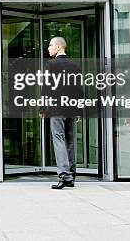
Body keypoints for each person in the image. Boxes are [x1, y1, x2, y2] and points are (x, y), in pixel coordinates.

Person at [46, 36, 81, 190]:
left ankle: (64, 175)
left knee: (58, 139)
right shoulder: (75, 65)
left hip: (57, 108)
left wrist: (43, 108)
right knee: (71, 140)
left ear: (59, 47)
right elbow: (79, 89)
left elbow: (46, 88)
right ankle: (71, 176)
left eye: (50, 45)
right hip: (72, 108)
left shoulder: (51, 64)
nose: (48, 48)